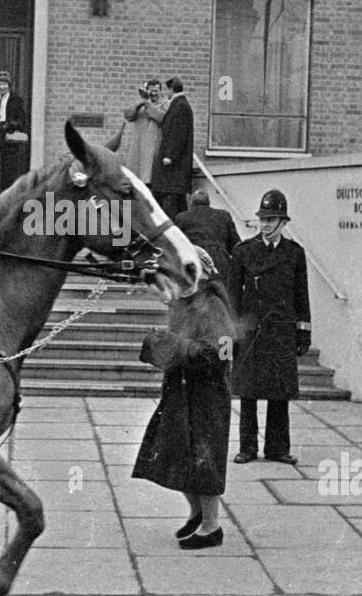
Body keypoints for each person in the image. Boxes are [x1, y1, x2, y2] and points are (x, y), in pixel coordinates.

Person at [132, 247, 235, 549]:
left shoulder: (212, 304)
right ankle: (196, 515)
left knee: (204, 459)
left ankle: (211, 526)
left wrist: (176, 346)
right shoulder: (183, 302)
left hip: (207, 395)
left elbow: (223, 350)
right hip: (182, 389)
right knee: (179, 453)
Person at [227, 189, 311, 466]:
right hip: (251, 331)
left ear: (283, 222)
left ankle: (277, 448)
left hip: (280, 331)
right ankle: (247, 448)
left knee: (280, 393)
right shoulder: (243, 252)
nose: (264, 224)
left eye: (271, 219)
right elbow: (232, 297)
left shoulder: (294, 254)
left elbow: (301, 296)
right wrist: (230, 333)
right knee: (248, 392)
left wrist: (303, 332)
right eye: (262, 218)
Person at [173, 188, 241, 288]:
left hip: (196, 260)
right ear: (208, 203)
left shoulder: (182, 217)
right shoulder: (224, 215)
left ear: (191, 203)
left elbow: (175, 245)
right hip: (220, 261)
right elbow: (235, 245)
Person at [152, 77, 194, 220]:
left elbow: (177, 132)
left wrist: (170, 156)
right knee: (177, 202)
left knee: (170, 202)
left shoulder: (179, 105)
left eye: (167, 90)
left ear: (171, 89)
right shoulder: (180, 104)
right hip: (176, 169)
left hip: (172, 167)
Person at [109, 79, 166, 185]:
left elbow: (161, 117)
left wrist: (147, 103)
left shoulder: (165, 104)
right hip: (138, 149)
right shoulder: (141, 103)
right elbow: (128, 115)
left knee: (151, 180)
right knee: (135, 180)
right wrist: (138, 104)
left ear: (161, 92)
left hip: (154, 150)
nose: (153, 93)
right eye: (151, 91)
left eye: (156, 91)